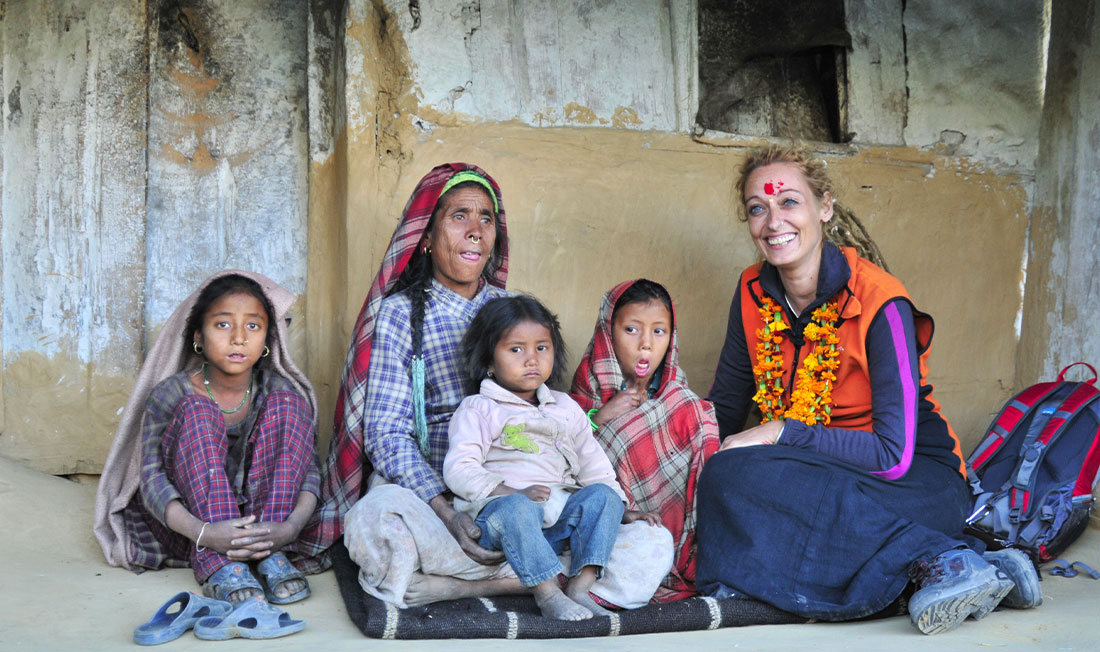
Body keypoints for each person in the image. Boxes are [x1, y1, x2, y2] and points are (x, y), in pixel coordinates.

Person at [699, 145, 1042, 635]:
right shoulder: (752, 290)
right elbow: (727, 406)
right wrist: (680, 461)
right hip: (821, 476)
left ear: (825, 207)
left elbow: (893, 455)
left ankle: (940, 556)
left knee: (790, 503)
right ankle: (979, 564)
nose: (774, 221)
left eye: (790, 202)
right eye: (758, 208)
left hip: (914, 482)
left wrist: (781, 432)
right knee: (726, 475)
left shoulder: (882, 301)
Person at [299, 163, 672, 609]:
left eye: (486, 219)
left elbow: (559, 425)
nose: (475, 231)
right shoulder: (399, 315)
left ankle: (474, 587)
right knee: (373, 522)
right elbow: (386, 434)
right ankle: (540, 578)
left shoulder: (511, 314)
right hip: (441, 501)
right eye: (459, 216)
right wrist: (449, 512)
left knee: (652, 544)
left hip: (535, 499)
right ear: (426, 236)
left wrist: (606, 502)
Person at [94, 271, 320, 605]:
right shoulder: (172, 394)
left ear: (268, 341)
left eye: (253, 326)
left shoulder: (280, 392)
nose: (239, 338)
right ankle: (218, 565)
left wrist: (288, 530)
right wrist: (206, 534)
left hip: (271, 530)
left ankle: (268, 555)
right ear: (198, 336)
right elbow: (152, 480)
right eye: (223, 325)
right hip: (191, 531)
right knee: (198, 412)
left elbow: (309, 471)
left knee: (287, 404)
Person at [444, 295, 660, 620]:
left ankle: (579, 589)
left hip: (556, 524)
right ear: (489, 361)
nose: (531, 359)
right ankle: (547, 594)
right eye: (516, 349)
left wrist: (620, 508)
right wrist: (511, 493)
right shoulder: (479, 409)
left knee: (603, 495)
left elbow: (593, 464)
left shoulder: (565, 407)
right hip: (503, 522)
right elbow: (459, 470)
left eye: (541, 348)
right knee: (518, 510)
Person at [570, 279, 720, 601]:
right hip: (623, 529)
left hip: (686, 536)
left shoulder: (679, 399)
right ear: (608, 333)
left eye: (659, 331)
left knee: (698, 413)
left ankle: (691, 559)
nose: (646, 345)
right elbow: (565, 457)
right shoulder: (587, 388)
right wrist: (599, 419)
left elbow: (704, 461)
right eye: (632, 330)